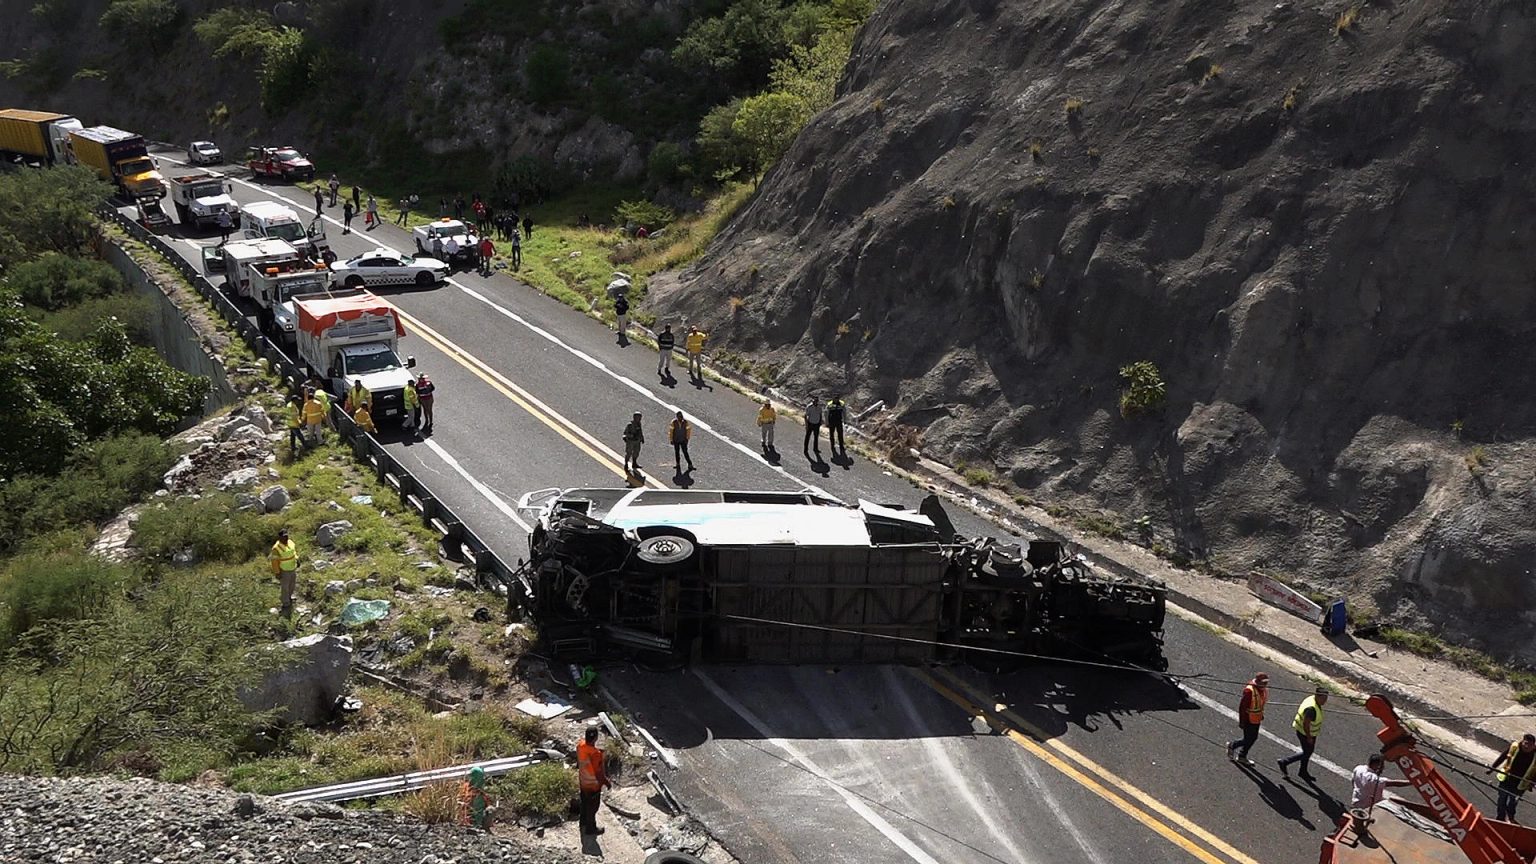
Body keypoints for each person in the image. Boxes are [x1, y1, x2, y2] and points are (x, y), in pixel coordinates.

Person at [1278, 687, 1329, 781]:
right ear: (1318, 696)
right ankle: (1285, 762)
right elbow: (1306, 724)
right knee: (1307, 752)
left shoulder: (1312, 699)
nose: (1325, 701)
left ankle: (1303, 771)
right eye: (1324, 699)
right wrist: (1309, 737)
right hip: (1304, 733)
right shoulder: (1311, 709)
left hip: (1308, 733)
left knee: (1308, 751)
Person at [1488, 733, 1536, 821]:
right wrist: (1492, 768)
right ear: (1522, 742)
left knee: (1513, 801)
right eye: (1526, 743)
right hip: (1507, 778)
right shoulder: (1514, 747)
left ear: (1534, 746)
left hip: (1521, 784)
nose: (1527, 747)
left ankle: (1510, 816)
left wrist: (1533, 783)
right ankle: (1500, 817)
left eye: (1530, 745)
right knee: (1502, 799)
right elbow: (1502, 757)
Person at [1226, 673, 1269, 766]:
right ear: (1258, 681)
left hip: (1256, 718)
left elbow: (1260, 703)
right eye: (1263, 682)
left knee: (1253, 738)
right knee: (1248, 738)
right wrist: (1242, 721)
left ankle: (1242, 756)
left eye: (1266, 682)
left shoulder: (1263, 690)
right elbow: (1242, 707)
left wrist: (1261, 714)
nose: (1265, 685)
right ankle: (1233, 745)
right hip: (1248, 719)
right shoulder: (1249, 691)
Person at [577, 727, 611, 836]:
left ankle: (582, 823)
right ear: (596, 738)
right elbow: (599, 773)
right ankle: (591, 829)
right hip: (593, 786)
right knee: (592, 808)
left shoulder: (580, 746)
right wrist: (606, 782)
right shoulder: (596, 754)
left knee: (584, 803)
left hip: (583, 782)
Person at [268, 528, 298, 618]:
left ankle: (289, 597)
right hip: (284, 569)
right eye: (284, 536)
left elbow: (294, 552)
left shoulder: (290, 542)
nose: (286, 538)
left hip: (292, 567)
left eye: (286, 536)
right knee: (285, 586)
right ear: (280, 537)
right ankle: (285, 602)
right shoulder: (276, 548)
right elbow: (274, 562)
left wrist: (297, 558)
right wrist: (277, 572)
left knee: (292, 584)